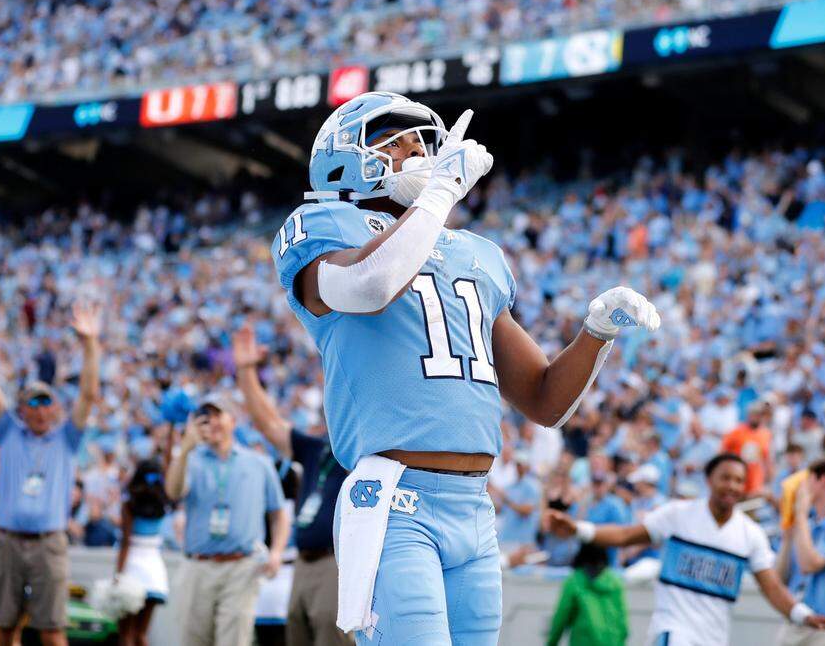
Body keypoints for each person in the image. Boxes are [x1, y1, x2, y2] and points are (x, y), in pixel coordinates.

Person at [271, 90, 660, 643]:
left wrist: (596, 333)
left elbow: (546, 401)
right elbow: (369, 283)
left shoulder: (474, 254)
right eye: (396, 142)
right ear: (345, 156)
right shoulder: (324, 224)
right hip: (394, 500)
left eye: (424, 142)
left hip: (474, 505)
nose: (418, 152)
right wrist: (441, 193)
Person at [545, 453, 825, 644]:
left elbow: (772, 587)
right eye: (726, 477)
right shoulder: (678, 514)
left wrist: (803, 615)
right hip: (672, 633)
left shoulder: (750, 534)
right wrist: (578, 529)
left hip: (713, 638)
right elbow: (624, 535)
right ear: (709, 480)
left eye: (738, 480)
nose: (732, 486)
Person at [0, 291, 102, 646]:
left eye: (47, 403)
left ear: (56, 408)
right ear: (22, 408)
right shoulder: (10, 431)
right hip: (8, 540)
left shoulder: (67, 438)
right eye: (33, 402)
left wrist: (89, 345)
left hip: (49, 543)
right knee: (5, 627)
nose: (41, 410)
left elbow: (88, 395)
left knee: (52, 629)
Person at [231, 324, 353, 646]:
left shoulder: (364, 449)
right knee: (297, 634)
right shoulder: (318, 448)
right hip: (304, 560)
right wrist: (246, 373)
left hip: (338, 561)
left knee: (332, 634)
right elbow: (269, 424)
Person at [164, 397, 290, 646]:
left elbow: (279, 513)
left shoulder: (258, 463)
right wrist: (185, 450)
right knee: (193, 640)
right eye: (204, 417)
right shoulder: (191, 459)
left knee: (234, 640)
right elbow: (173, 491)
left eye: (216, 415)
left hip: (241, 566)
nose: (210, 422)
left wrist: (276, 551)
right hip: (197, 566)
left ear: (233, 420)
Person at [775, 458, 825, 646]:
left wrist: (800, 514)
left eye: (808, 479)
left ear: (823, 481)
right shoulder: (806, 526)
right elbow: (779, 578)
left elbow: (809, 564)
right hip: (796, 622)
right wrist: (788, 535)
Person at [114, 459, 170, 646]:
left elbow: (125, 543)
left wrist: (118, 575)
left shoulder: (129, 504)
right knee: (142, 634)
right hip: (155, 571)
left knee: (127, 634)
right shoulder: (163, 503)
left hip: (133, 570)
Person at [545, 543, 627, 646]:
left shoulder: (575, 581)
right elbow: (623, 622)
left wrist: (551, 642)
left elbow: (561, 618)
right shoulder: (614, 582)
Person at [720, 400, 773, 497]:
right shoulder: (736, 432)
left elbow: (766, 458)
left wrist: (768, 480)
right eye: (756, 414)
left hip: (754, 485)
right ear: (749, 414)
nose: (758, 417)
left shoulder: (766, 434)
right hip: (736, 483)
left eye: (761, 415)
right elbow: (722, 453)